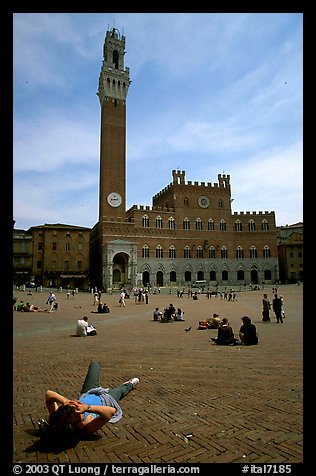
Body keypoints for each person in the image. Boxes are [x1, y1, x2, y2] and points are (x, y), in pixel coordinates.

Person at [43, 360, 139, 448]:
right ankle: (129, 384)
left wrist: (66, 401)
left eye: (72, 407)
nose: (76, 405)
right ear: (77, 424)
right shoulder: (87, 427)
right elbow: (110, 412)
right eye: (77, 411)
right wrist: (87, 408)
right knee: (122, 390)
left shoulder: (59, 418)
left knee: (94, 364)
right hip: (106, 399)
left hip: (88, 392)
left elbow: (49, 394)